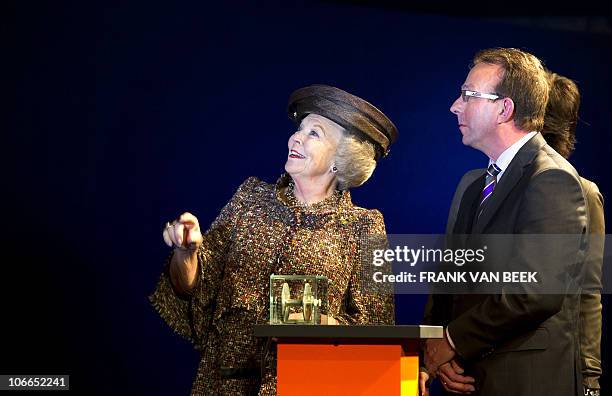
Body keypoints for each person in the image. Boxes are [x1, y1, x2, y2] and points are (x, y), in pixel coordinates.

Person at [149, 84, 397, 395]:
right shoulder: (249, 197)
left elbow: (377, 328)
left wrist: (320, 324)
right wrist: (186, 253)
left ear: (341, 158)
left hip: (308, 386)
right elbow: (194, 291)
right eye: (300, 129)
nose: (296, 138)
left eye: (314, 133)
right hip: (222, 385)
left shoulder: (366, 225)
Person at [421, 48, 588, 395]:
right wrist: (435, 352)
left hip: (522, 381)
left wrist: (452, 341)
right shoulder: (475, 186)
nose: (455, 105)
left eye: (468, 95)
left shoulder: (551, 179)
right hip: (469, 377)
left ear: (505, 109)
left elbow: (534, 293)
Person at [542, 71, 604, 396]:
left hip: (549, 370)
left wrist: (590, 381)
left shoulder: (585, 194)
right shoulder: (481, 185)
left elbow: (588, 294)